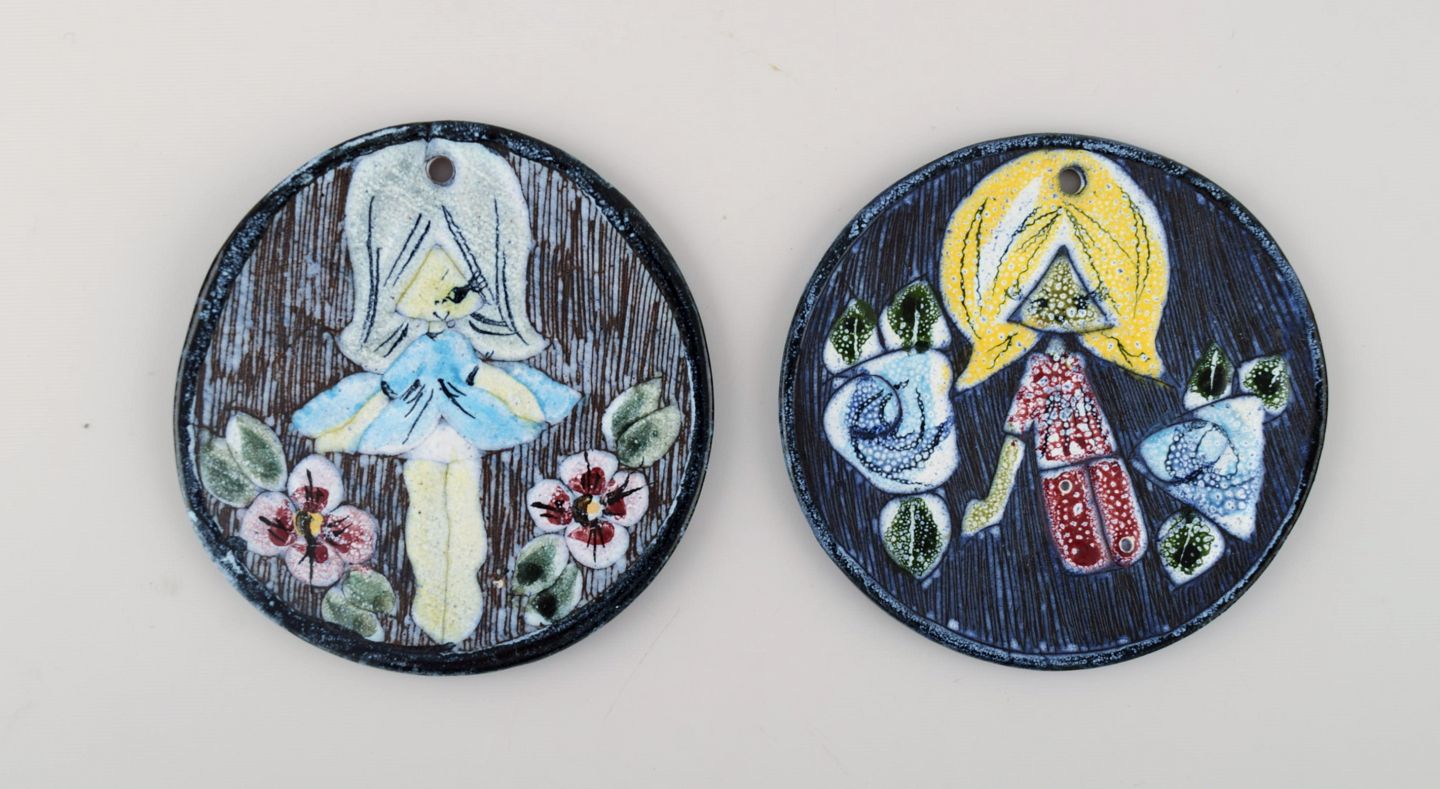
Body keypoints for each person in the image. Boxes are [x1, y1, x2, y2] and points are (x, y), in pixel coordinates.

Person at [938, 150, 1170, 574]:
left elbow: (1016, 434)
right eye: (1041, 301)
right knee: (1086, 547)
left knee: (1122, 537)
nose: (1062, 312)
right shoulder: (1036, 372)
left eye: (1081, 300)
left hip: (1099, 458)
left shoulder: (1106, 362)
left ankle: (1117, 549)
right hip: (1061, 466)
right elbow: (1015, 434)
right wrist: (994, 502)